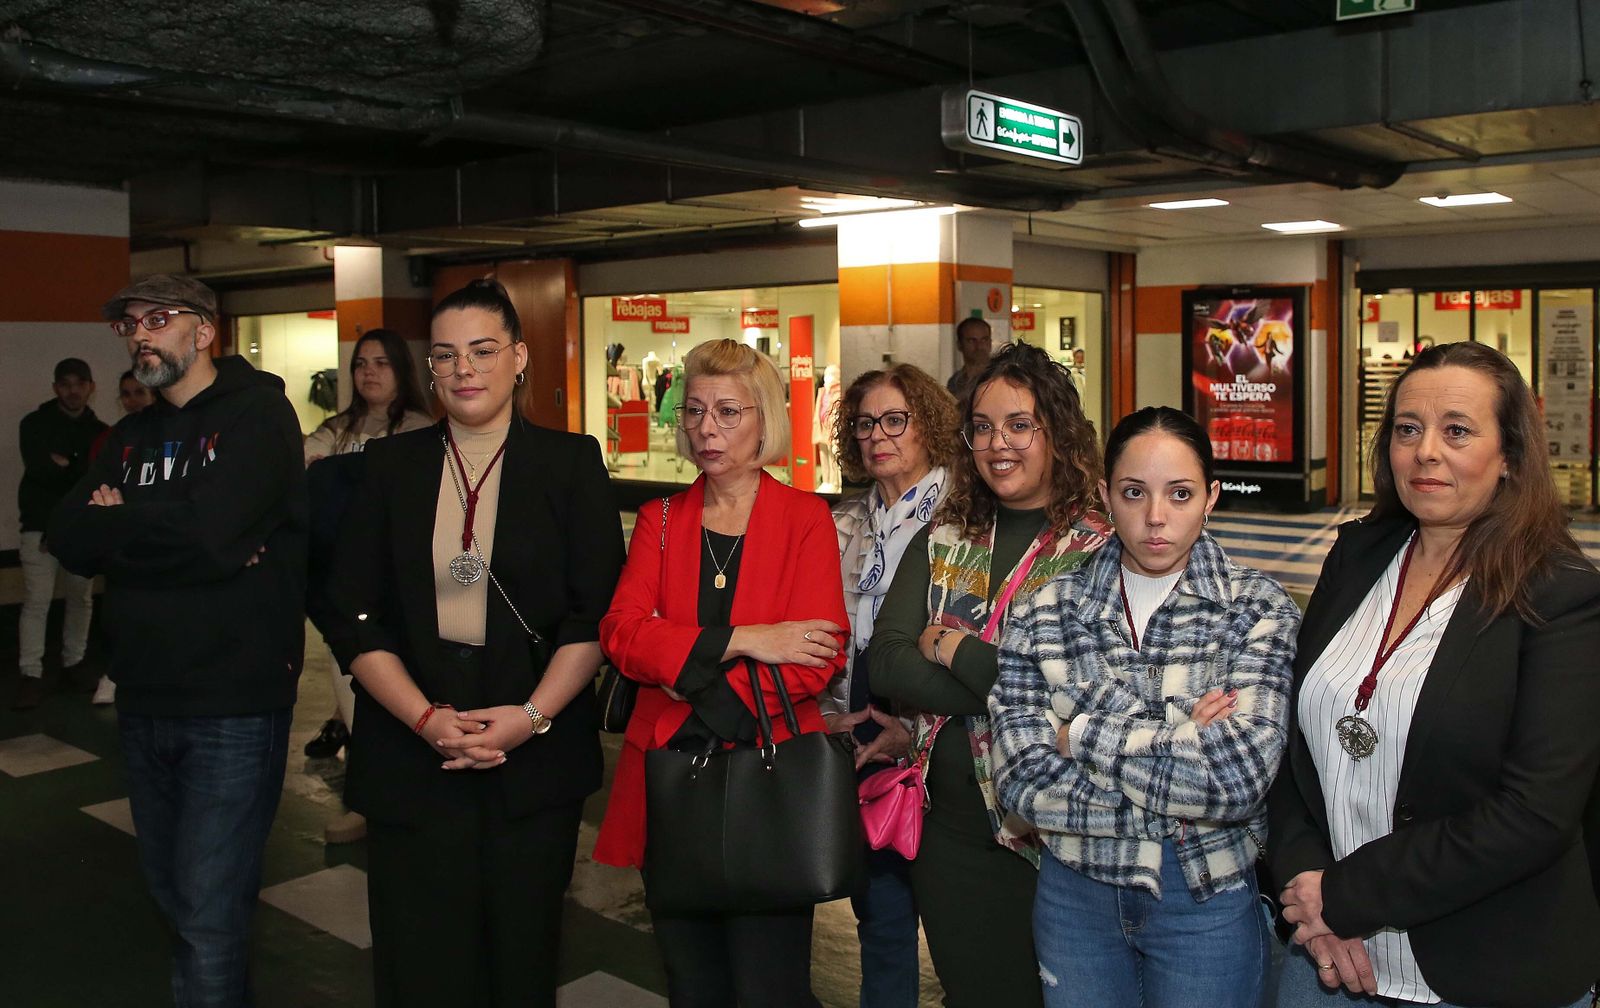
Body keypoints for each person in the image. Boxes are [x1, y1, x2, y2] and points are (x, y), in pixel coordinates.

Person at [1268, 341, 1600, 1008]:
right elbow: (1294, 746)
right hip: (1330, 956)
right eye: (1408, 429)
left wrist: (1349, 894)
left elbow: (1534, 814)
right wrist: (1308, 881)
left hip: (1485, 966)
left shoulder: (1559, 594)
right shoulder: (1358, 556)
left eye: (1457, 431)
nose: (1426, 452)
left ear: (1508, 456)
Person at [322, 279, 623, 1007]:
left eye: (484, 351)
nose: (464, 369)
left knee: (520, 962)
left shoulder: (569, 463)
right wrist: (425, 720)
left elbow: (596, 616)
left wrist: (532, 716)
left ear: (519, 357)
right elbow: (351, 611)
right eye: (448, 355)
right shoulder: (390, 467)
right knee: (418, 963)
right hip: (412, 746)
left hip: (533, 751)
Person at [50, 273, 308, 1007]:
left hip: (233, 701)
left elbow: (211, 537)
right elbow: (70, 535)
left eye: (156, 320)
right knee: (174, 899)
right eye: (128, 325)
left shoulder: (259, 417)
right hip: (143, 697)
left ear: (204, 330)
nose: (139, 336)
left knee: (208, 917)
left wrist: (123, 520)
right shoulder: (129, 436)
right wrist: (173, 530)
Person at [990, 406, 1300, 1008]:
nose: (1156, 518)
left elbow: (1235, 781)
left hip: (1203, 895)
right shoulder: (1043, 610)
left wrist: (1077, 733)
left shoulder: (1256, 609)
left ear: (1211, 496)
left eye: (1179, 494)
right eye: (1135, 493)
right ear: (1106, 495)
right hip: (1075, 894)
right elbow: (1022, 783)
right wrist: (1180, 738)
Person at [595, 337, 849, 1007]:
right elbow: (621, 633)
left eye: (729, 412)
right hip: (670, 783)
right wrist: (747, 639)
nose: (708, 428)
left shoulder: (804, 519)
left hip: (769, 777)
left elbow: (817, 652)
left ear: (764, 420)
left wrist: (691, 670)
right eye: (696, 411)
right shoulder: (663, 519)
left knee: (771, 988)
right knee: (692, 982)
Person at [871, 342, 1110, 1007]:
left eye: (1019, 424)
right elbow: (887, 660)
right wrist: (1015, 687)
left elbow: (1082, 690)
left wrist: (949, 646)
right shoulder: (949, 536)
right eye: (981, 426)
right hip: (950, 839)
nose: (997, 442)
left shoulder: (1096, 546)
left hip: (1053, 845)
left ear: (1056, 433)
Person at [826, 363, 961, 1008]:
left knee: (959, 926)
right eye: (864, 423)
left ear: (928, 426)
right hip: (863, 726)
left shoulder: (962, 518)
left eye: (894, 420)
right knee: (880, 914)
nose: (878, 435)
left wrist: (914, 730)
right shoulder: (849, 523)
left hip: (943, 735)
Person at [301, 328, 432, 845]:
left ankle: (393, 800)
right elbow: (302, 473)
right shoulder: (334, 427)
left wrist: (338, 473)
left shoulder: (420, 429)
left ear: (403, 370)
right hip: (336, 586)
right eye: (361, 363)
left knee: (396, 700)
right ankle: (366, 800)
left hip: (395, 588)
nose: (369, 372)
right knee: (348, 693)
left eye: (382, 362)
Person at [14, 357, 107, 710]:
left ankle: (74, 663)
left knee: (80, 599)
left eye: (79, 384)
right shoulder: (34, 424)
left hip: (81, 529)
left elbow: (89, 478)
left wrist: (67, 464)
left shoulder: (100, 431)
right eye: (65, 384)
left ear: (90, 387)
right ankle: (30, 674)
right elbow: (42, 474)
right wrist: (73, 469)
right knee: (37, 602)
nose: (73, 391)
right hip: (38, 527)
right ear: (55, 388)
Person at [84, 368, 158, 706]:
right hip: (120, 543)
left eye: (139, 392)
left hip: (154, 539)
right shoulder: (111, 439)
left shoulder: (168, 436)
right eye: (126, 393)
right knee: (121, 612)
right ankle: (114, 673)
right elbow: (96, 484)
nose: (132, 400)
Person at [946, 316, 993, 405]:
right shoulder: (955, 382)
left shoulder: (1000, 375)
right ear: (960, 345)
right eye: (972, 341)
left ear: (990, 342)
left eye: (984, 340)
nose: (979, 346)